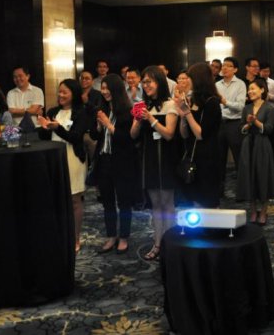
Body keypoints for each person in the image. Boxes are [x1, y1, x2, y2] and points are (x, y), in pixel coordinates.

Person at [130, 66, 180, 261]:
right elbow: (133, 135)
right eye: (144, 82)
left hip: (166, 159)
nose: (146, 85)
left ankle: (171, 243)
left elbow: (169, 134)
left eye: (149, 81)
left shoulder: (170, 104)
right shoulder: (143, 105)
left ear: (159, 82)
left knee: (167, 203)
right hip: (149, 158)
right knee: (155, 204)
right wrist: (137, 120)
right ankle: (158, 243)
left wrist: (150, 119)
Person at [38, 79, 88, 254]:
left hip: (73, 158)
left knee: (74, 200)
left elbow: (75, 137)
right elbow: (45, 138)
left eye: (65, 92)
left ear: (74, 93)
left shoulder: (81, 112)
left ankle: (75, 237)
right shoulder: (53, 111)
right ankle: (59, 235)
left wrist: (57, 128)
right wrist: (44, 128)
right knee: (56, 199)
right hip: (54, 159)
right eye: (59, 91)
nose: (61, 95)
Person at [92, 73, 137, 255]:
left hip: (122, 161)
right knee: (107, 202)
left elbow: (127, 139)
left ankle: (124, 237)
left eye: (107, 88)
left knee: (124, 201)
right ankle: (111, 236)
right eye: (102, 88)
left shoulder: (127, 111)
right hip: (104, 160)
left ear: (116, 89)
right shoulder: (102, 108)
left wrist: (108, 124)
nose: (104, 92)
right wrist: (99, 127)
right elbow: (95, 136)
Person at [175, 63, 222, 208]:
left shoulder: (212, 102)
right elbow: (184, 134)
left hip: (207, 156)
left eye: (189, 77)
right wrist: (183, 116)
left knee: (206, 199)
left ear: (198, 79)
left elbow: (200, 134)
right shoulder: (194, 100)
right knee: (193, 198)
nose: (186, 81)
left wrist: (187, 113)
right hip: (192, 154)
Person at [236, 78, 274, 225]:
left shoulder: (269, 108)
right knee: (249, 176)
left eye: (253, 88)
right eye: (249, 89)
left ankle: (264, 211)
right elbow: (241, 128)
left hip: (262, 145)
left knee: (263, 176)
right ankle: (253, 211)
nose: (250, 91)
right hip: (248, 144)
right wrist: (248, 124)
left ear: (262, 90)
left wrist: (256, 122)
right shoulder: (246, 108)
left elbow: (269, 129)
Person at [215, 57, 247, 190]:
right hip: (219, 124)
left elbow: (240, 106)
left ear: (235, 69)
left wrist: (225, 102)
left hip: (234, 123)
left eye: (228, 66)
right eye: (223, 65)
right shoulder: (217, 85)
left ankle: (242, 190)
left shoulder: (240, 84)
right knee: (219, 158)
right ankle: (219, 189)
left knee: (239, 157)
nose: (224, 68)